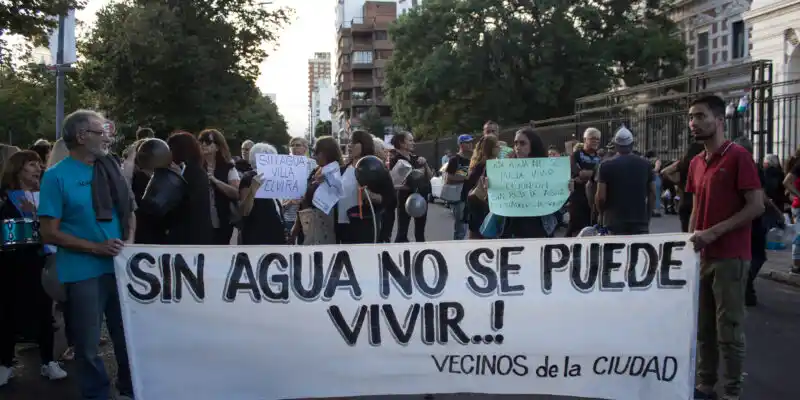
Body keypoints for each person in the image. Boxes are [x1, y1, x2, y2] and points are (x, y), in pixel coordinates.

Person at [38, 109, 136, 400]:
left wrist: (128, 246)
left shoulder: (112, 169)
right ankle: (97, 395)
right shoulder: (56, 177)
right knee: (89, 346)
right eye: (100, 131)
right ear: (81, 136)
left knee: (127, 337)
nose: (108, 136)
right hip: (82, 273)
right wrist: (97, 248)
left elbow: (130, 212)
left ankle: (130, 389)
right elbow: (49, 232)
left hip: (119, 269)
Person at [685, 95, 764, 400]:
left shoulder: (738, 157)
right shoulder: (695, 162)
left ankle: (732, 391)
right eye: (691, 117)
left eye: (700, 116)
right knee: (703, 326)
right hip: (701, 257)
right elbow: (694, 207)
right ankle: (706, 385)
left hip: (731, 256)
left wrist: (714, 232)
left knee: (728, 329)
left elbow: (755, 206)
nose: (694, 123)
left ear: (719, 120)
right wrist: (689, 241)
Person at [0, 151, 68, 387]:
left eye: (39, 164)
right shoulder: (4, 197)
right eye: (31, 164)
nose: (38, 168)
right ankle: (5, 364)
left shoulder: (46, 195)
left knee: (44, 310)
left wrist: (34, 214)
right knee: (7, 311)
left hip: (42, 260)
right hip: (11, 263)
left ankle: (49, 361)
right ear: (18, 168)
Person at [595, 127, 655, 235]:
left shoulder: (605, 165)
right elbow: (652, 193)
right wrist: (647, 216)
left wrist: (601, 214)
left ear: (616, 145)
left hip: (613, 222)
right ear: (632, 144)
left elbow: (601, 197)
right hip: (640, 222)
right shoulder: (646, 164)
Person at [444, 134, 473, 240]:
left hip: (473, 196)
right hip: (460, 197)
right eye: (467, 142)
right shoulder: (454, 159)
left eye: (471, 142)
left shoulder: (474, 158)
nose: (470, 145)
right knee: (461, 228)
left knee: (473, 228)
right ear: (460, 144)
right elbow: (448, 178)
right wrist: (466, 177)